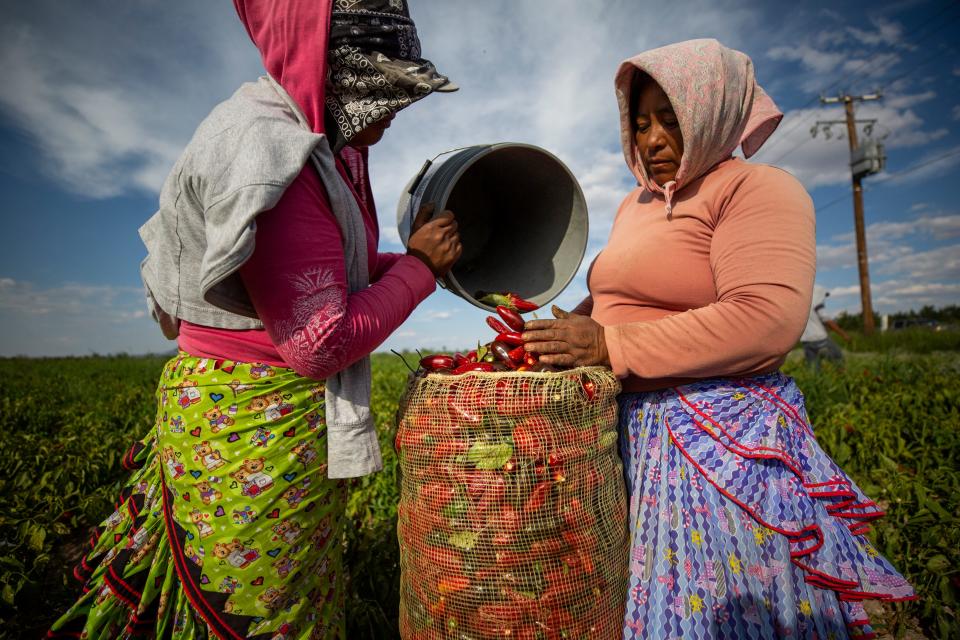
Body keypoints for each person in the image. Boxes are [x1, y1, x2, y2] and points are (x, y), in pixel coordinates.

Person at [47, 1, 460, 638]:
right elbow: (321, 344)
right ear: (332, 72)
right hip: (251, 430)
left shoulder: (316, 130)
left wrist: (400, 263)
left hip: (261, 425)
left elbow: (321, 264)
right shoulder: (271, 155)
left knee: (278, 593)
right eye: (382, 91)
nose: (393, 111)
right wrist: (419, 272)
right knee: (265, 615)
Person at [522, 39, 914, 639]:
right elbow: (613, 299)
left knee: (705, 615)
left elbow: (764, 319)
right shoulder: (636, 205)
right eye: (641, 122)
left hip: (712, 446)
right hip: (631, 432)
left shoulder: (757, 189)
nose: (651, 139)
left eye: (672, 121)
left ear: (714, 115)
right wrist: (558, 335)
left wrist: (609, 347)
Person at [801, 285, 850, 369]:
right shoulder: (817, 304)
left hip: (806, 341)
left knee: (813, 367)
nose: (824, 299)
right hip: (820, 338)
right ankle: (843, 376)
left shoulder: (802, 306)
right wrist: (843, 334)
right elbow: (826, 319)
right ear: (818, 294)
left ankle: (816, 380)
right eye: (824, 296)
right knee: (838, 358)